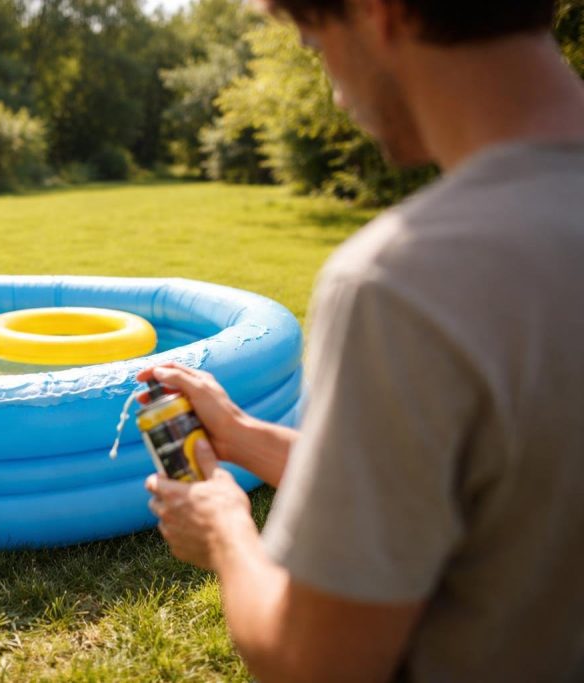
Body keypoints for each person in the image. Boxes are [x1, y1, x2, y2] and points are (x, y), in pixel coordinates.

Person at [141, 0, 584, 681]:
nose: (337, 93)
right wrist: (237, 433)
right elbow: (494, 486)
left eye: (317, 44)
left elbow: (313, 661)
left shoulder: (405, 282)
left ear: (379, 14)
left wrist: (225, 526)